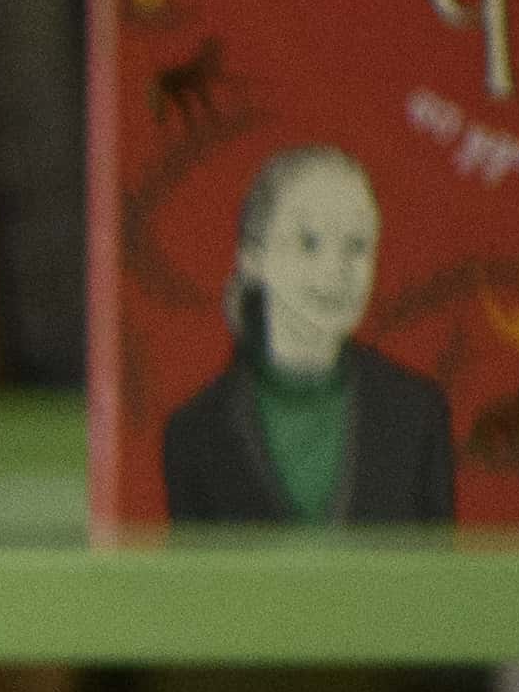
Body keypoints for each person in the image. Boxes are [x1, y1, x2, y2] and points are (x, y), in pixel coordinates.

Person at [152, 146, 463, 529]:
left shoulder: (416, 414)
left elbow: (438, 578)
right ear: (253, 258)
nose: (335, 270)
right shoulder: (195, 434)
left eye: (356, 246)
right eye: (308, 243)